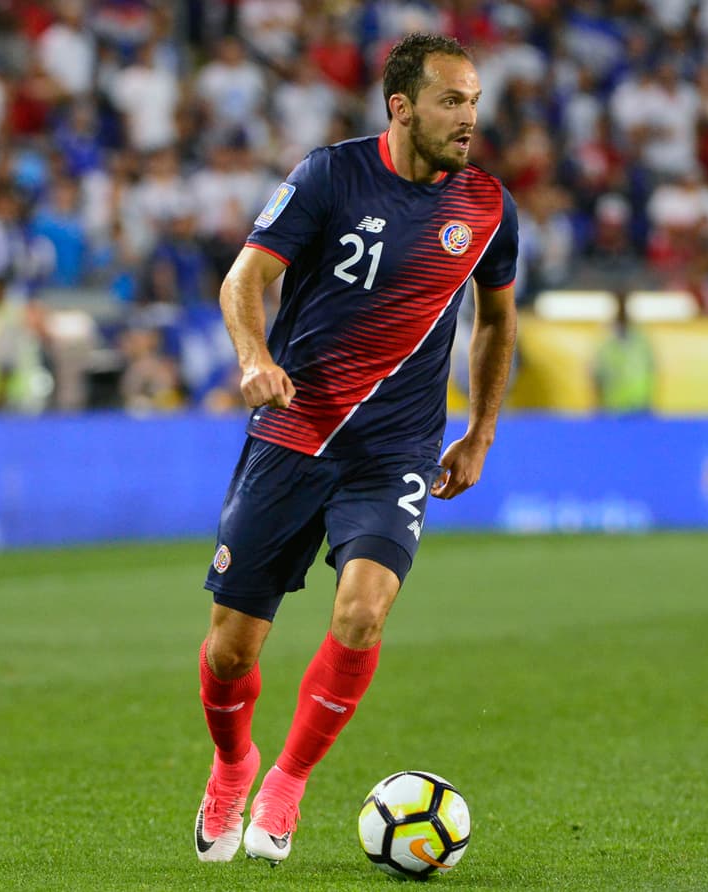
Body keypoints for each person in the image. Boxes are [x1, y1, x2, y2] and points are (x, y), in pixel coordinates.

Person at [192, 33, 519, 866]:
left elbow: (498, 321)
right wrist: (254, 358)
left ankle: (289, 784)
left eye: (475, 101)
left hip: (397, 448)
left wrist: (478, 432)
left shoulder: (486, 206)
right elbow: (245, 279)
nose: (469, 118)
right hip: (295, 430)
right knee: (233, 647)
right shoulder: (331, 175)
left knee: (363, 611)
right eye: (452, 101)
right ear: (401, 106)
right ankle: (234, 763)